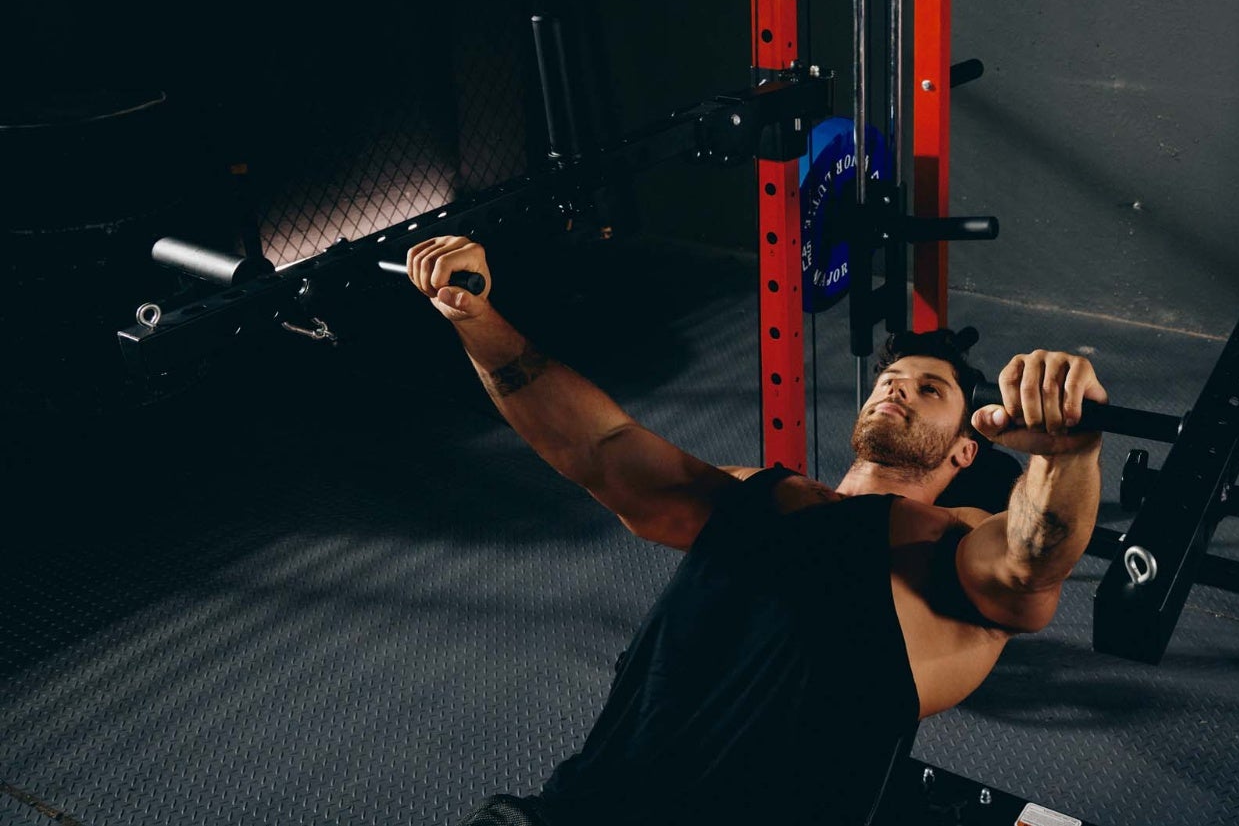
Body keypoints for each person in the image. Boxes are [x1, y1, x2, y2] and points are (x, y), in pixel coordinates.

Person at [402, 236, 1108, 826]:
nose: (898, 387)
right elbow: (601, 446)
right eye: (891, 377)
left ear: (963, 451)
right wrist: (476, 317)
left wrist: (1066, 453)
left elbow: (1030, 563)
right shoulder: (758, 492)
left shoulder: (948, 542)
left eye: (931, 390)